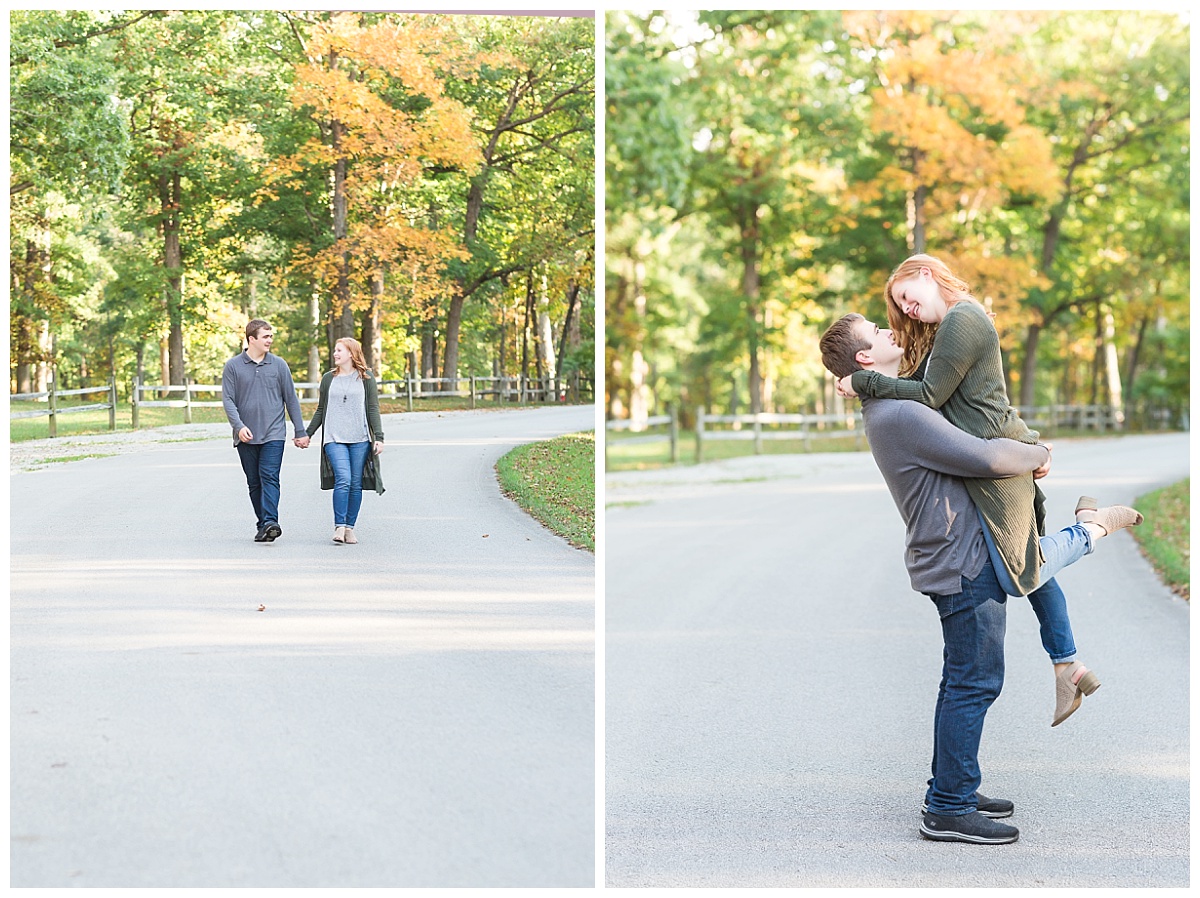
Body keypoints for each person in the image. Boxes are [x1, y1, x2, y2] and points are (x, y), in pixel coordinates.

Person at [817, 313, 1126, 844]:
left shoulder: (897, 402)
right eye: (880, 333)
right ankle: (949, 807)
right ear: (866, 359)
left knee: (960, 678)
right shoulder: (898, 414)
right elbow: (986, 457)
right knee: (975, 681)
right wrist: (1040, 454)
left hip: (956, 554)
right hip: (961, 561)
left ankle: (952, 783)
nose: (894, 333)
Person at [837, 255, 1142, 725]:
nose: (906, 309)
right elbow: (919, 391)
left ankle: (1090, 530)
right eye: (899, 306)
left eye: (905, 296)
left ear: (924, 273)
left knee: (1022, 568)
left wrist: (865, 380)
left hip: (1002, 457)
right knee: (1030, 563)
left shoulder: (964, 318)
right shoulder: (946, 333)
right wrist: (877, 384)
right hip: (996, 456)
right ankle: (1067, 666)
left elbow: (930, 398)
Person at [221, 319, 310, 543]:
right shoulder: (233, 366)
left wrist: (300, 431)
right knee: (254, 481)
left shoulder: (279, 365)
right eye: (266, 336)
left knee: (269, 476)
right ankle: (263, 525)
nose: (270, 340)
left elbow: (291, 399)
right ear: (252, 339)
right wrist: (239, 427)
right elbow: (228, 400)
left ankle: (271, 521)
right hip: (245, 436)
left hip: (273, 434)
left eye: (271, 336)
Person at [305, 337, 385, 544]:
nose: (335, 354)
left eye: (339, 350)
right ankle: (339, 526)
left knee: (355, 483)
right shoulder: (328, 378)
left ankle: (350, 528)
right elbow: (321, 410)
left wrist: (379, 437)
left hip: (360, 438)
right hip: (334, 438)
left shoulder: (366, 378)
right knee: (344, 479)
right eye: (335, 350)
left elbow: (373, 409)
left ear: (351, 353)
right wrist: (308, 433)